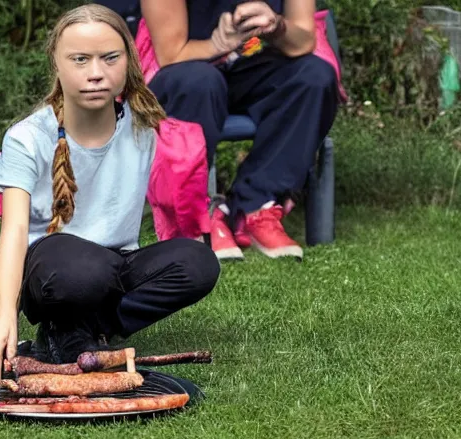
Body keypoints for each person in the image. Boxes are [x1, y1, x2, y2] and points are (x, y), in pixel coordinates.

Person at [0, 4, 220, 385]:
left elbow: (179, 184)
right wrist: (4, 315)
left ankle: (79, 332)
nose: (95, 73)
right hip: (51, 270)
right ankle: (62, 324)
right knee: (82, 269)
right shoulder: (28, 137)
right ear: (57, 66)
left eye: (109, 58)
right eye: (79, 60)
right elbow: (13, 231)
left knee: (197, 262)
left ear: (127, 62)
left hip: (115, 265)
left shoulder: (145, 128)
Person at [141, 0, 340, 261]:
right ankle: (197, 215)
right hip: (185, 65)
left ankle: (256, 204)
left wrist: (275, 25)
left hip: (256, 66)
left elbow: (302, 41)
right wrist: (217, 44)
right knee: (200, 82)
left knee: (315, 76)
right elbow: (170, 53)